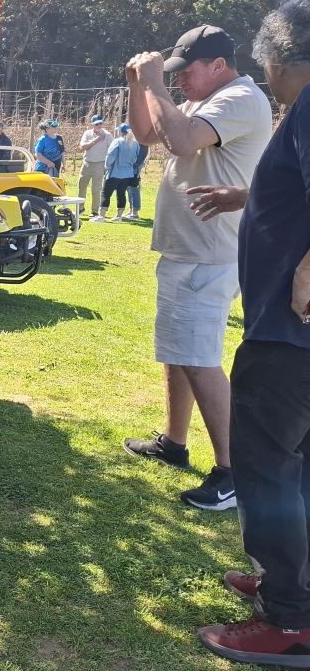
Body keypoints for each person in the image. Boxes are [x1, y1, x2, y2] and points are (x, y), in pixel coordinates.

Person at [190, 0, 310, 666]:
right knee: (300, 471)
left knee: (266, 469)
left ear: (283, 54)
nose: (265, 75)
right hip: (296, 339)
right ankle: (294, 586)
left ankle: (289, 619)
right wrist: (251, 195)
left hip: (286, 336)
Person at [122, 25, 272, 511]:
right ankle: (174, 441)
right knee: (180, 351)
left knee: (200, 357)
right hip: (189, 249)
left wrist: (157, 86)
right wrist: (138, 86)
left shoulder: (240, 99)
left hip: (210, 252)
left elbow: (183, 144)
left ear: (219, 66)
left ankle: (232, 472)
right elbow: (148, 134)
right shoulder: (202, 101)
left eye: (187, 72)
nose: (180, 80)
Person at [91, 124, 139, 222]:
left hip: (115, 172)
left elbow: (110, 156)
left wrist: (106, 167)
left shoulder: (117, 141)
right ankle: (119, 216)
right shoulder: (135, 143)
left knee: (105, 193)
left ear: (120, 131)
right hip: (127, 174)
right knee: (121, 194)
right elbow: (135, 158)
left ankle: (101, 216)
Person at [78, 114, 112, 216]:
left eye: (100, 123)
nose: (99, 125)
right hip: (87, 163)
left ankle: (94, 211)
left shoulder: (108, 135)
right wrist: (97, 139)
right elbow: (83, 147)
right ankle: (80, 208)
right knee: (82, 187)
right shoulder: (87, 133)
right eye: (97, 124)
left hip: (99, 164)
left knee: (96, 189)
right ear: (92, 124)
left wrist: (108, 165)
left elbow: (112, 150)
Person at [124, 141, 149, 220]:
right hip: (127, 167)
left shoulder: (142, 141)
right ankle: (131, 209)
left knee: (134, 189)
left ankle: (135, 212)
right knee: (128, 188)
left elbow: (141, 155)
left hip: (134, 169)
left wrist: (136, 165)